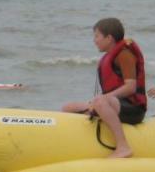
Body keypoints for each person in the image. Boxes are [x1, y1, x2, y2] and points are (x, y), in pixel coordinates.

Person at [61, 17, 146, 159]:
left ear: (109, 38)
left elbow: (131, 87)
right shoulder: (109, 57)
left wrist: (104, 98)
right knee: (68, 107)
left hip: (134, 108)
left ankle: (123, 146)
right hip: (113, 105)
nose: (95, 40)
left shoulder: (125, 54)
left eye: (97, 36)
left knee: (100, 101)